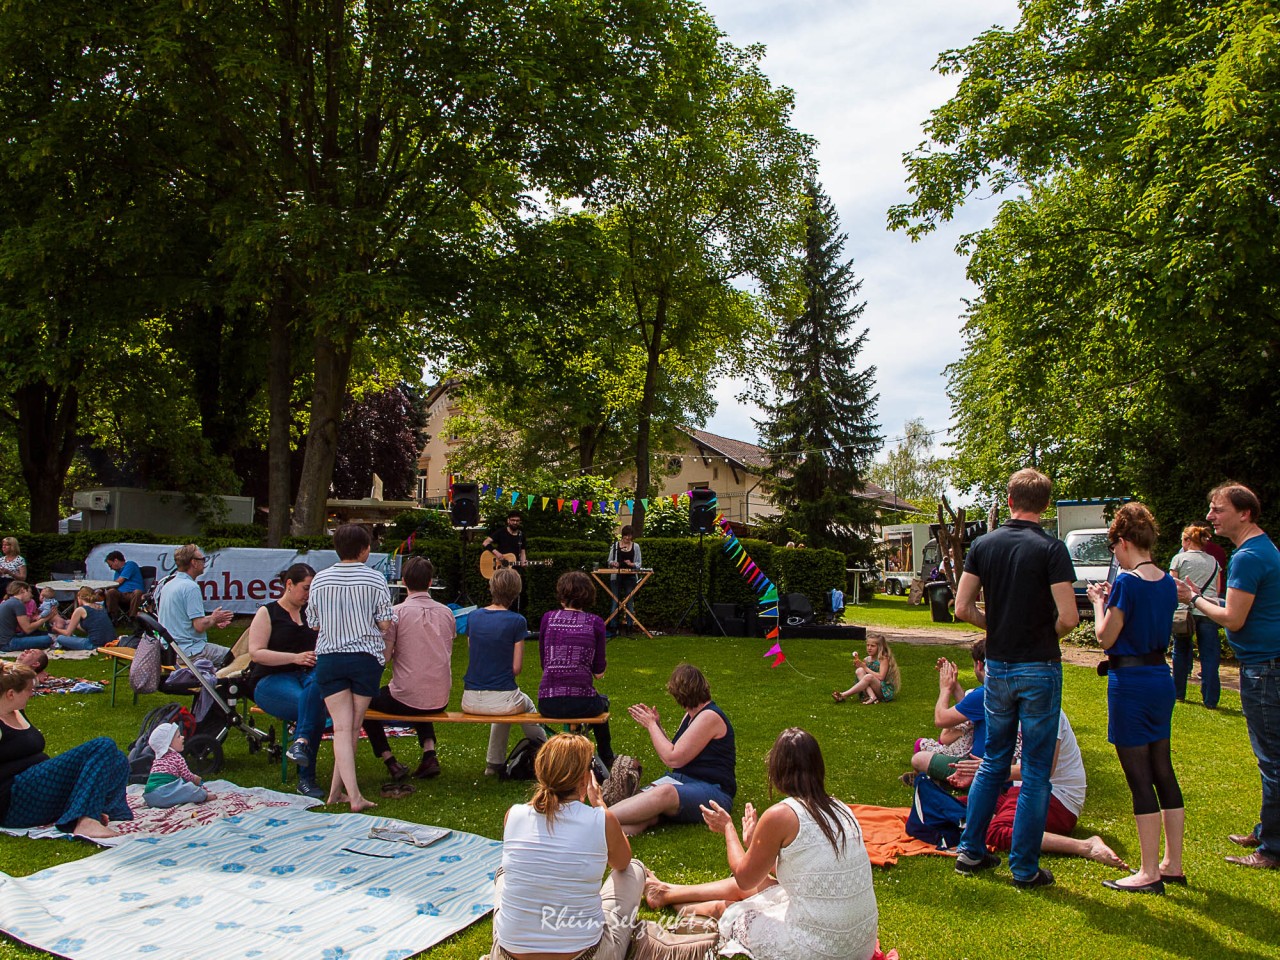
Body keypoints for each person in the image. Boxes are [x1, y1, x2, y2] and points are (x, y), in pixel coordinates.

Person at [647, 729, 880, 960]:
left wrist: (728, 828)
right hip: (861, 945)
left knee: (729, 908)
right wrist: (753, 845)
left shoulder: (782, 814)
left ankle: (683, 908)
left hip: (819, 951)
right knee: (760, 887)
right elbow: (805, 872)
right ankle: (666, 893)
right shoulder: (841, 808)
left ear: (777, 770)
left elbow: (744, 877)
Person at [951, 467, 1079, 889]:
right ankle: (1023, 869)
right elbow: (1069, 617)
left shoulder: (983, 545)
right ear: (1045, 505)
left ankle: (970, 851)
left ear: (1008, 501)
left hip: (1000, 667)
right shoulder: (1053, 549)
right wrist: (1041, 634)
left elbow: (962, 608)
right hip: (1039, 665)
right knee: (1037, 771)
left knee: (994, 761)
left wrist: (998, 628)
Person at [487, 732, 715, 960]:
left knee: (504, 873)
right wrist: (600, 805)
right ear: (583, 779)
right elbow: (622, 862)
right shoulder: (600, 819)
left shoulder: (514, 815)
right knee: (634, 869)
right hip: (586, 955)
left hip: (508, 955)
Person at [1176, 482, 1280, 869]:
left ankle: (1271, 849)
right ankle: (1267, 827)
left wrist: (1194, 599)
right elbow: (1242, 608)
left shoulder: (1249, 557)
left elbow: (1232, 618)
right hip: (1267, 664)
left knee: (1272, 760)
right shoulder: (1257, 550)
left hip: (1264, 669)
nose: (1209, 516)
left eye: (1217, 509)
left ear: (1244, 513)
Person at [1087, 502, 1183, 892]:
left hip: (1130, 681)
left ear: (1123, 542)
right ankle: (1172, 862)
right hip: (1162, 676)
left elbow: (1105, 637)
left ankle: (1148, 872)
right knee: (1163, 768)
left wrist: (1098, 603)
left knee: (1139, 777)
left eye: (1114, 548)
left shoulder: (1126, 581)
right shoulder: (1166, 581)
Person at [306, 524, 395, 812]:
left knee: (345, 729)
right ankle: (354, 796)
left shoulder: (320, 580)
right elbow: (384, 622)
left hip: (330, 656)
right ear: (364, 549)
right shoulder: (375, 579)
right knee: (350, 728)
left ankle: (336, 792)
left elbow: (313, 622)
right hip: (364, 657)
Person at [0, 662, 132, 840]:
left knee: (117, 758)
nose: (32, 694)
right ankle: (86, 821)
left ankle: (103, 811)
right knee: (103, 745)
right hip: (14, 801)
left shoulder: (16, 711)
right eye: (28, 690)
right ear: (10, 694)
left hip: (38, 790)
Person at [607, 664, 735, 838]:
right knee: (645, 812)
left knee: (663, 792)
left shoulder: (709, 716)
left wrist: (651, 725)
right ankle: (599, 834)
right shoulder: (692, 714)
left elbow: (673, 759)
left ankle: (596, 820)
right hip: (683, 782)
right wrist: (657, 725)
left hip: (714, 791)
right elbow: (676, 749)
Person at [361, 556, 455, 781]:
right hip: (440, 697)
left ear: (403, 581)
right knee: (419, 689)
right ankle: (429, 752)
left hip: (407, 696)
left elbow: (383, 657)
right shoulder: (447, 613)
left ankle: (389, 759)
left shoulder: (396, 614)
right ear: (431, 582)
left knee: (364, 703)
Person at [245, 563, 327, 800]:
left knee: (315, 692)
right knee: (312, 706)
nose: (308, 595)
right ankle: (306, 776)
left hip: (307, 676)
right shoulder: (268, 612)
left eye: (312, 590)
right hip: (272, 678)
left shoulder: (311, 612)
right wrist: (295, 658)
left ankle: (300, 744)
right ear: (289, 585)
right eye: (305, 588)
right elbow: (256, 653)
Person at [461, 567, 546, 777]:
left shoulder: (474, 617)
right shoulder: (517, 621)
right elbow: (516, 668)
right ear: (516, 592)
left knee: (504, 708)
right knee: (523, 705)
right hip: (502, 698)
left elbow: (474, 650)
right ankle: (548, 750)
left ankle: (494, 763)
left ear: (491, 588)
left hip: (469, 698)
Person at [538, 571, 612, 768]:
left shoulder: (548, 618)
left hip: (548, 701)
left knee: (594, 701)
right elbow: (599, 671)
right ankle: (606, 756)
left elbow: (545, 663)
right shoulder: (595, 623)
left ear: (562, 595)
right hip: (581, 702)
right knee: (603, 702)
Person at [908, 641, 989, 784]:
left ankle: (942, 779)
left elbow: (941, 719)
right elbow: (967, 709)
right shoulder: (997, 688)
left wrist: (945, 688)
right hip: (995, 765)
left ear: (979, 664)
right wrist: (954, 684)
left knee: (919, 758)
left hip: (976, 768)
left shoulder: (984, 693)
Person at [1168, 524, 1222, 708]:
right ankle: (1210, 699)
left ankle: (1178, 693)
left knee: (1181, 652)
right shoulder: (1214, 562)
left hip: (1184, 611)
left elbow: (1172, 586)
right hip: (1208, 610)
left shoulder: (1179, 559)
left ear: (1188, 541)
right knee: (1210, 655)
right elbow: (1217, 589)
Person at [157, 544, 234, 667]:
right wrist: (214, 618)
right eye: (202, 559)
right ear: (194, 562)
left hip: (170, 651)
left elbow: (185, 620)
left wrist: (213, 619)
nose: (204, 562)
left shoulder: (169, 585)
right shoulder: (191, 587)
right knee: (238, 656)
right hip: (190, 652)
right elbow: (199, 626)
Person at [141, 722, 211, 808]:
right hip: (163, 792)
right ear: (168, 744)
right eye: (178, 736)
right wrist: (195, 779)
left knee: (179, 787)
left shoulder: (157, 760)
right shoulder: (177, 757)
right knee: (189, 789)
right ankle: (204, 796)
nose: (182, 737)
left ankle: (164, 802)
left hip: (150, 797)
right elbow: (187, 776)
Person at [832, 635, 900, 704]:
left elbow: (881, 677)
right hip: (870, 691)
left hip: (883, 691)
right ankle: (872, 696)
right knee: (859, 670)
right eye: (867, 645)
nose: (869, 648)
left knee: (869, 676)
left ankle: (843, 695)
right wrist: (859, 666)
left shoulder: (883, 659)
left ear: (880, 647)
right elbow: (862, 674)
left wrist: (865, 668)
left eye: (872, 646)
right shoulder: (867, 659)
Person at [483, 510, 527, 612]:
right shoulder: (501, 532)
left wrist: (523, 561)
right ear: (508, 520)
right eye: (513, 520)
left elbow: (523, 551)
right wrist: (496, 553)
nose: (515, 523)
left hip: (514, 569)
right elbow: (486, 542)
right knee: (499, 592)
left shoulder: (521, 535)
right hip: (500, 568)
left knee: (514, 594)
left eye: (517, 521)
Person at [51, 586, 116, 651]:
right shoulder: (101, 607)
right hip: (110, 642)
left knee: (60, 638)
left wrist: (55, 629)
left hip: (94, 644)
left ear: (79, 597)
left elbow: (67, 633)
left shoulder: (80, 610)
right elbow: (93, 627)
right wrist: (75, 624)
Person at [605, 526, 642, 636]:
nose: (628, 539)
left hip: (630, 577)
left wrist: (632, 564)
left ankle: (630, 626)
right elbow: (609, 560)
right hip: (616, 576)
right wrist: (613, 563)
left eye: (630, 537)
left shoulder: (635, 547)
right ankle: (613, 627)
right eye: (626, 536)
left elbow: (639, 563)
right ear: (623, 535)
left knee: (629, 602)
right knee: (615, 602)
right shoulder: (615, 546)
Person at [0, 582, 54, 653]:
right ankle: (55, 639)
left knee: (39, 633)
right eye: (29, 592)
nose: (31, 595)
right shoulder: (18, 604)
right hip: (7, 643)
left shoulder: (10, 602)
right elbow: (27, 629)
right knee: (47, 639)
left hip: (7, 639)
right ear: (23, 590)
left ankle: (55, 636)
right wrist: (47, 618)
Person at [104, 550, 146, 623]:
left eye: (110, 565)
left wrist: (106, 586)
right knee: (111, 592)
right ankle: (113, 617)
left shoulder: (130, 565)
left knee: (137, 592)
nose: (111, 568)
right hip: (121, 594)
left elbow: (119, 581)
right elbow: (114, 586)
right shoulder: (117, 572)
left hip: (132, 594)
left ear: (116, 561)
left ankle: (133, 618)